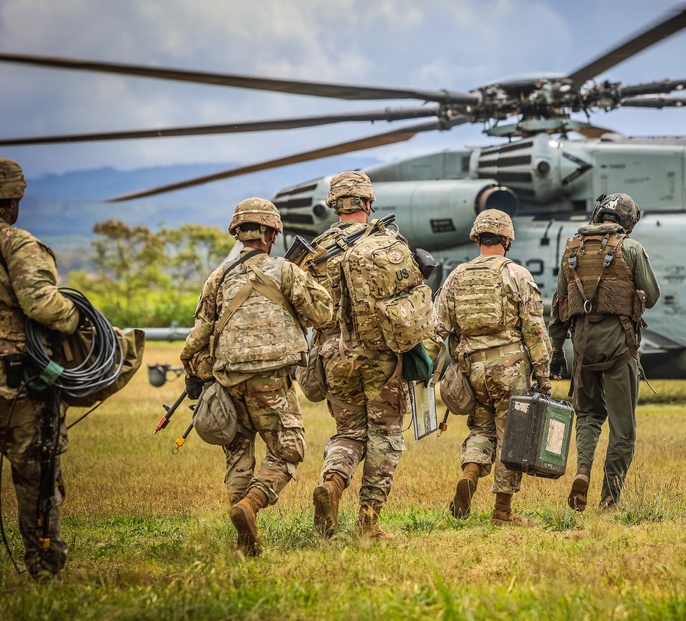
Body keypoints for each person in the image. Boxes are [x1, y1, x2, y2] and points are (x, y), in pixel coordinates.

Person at [181, 197, 333, 556]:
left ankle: (243, 534)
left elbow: (196, 339)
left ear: (238, 232)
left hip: (228, 381)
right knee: (288, 450)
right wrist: (311, 279)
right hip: (271, 381)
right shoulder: (286, 271)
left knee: (237, 454)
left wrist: (197, 373)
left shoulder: (217, 278)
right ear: (271, 233)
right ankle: (250, 504)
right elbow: (323, 313)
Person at [311, 171, 426, 541]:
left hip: (332, 355)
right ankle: (368, 521)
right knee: (385, 434)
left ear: (334, 205)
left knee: (348, 432)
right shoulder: (387, 242)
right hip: (380, 356)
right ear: (367, 203)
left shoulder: (314, 253)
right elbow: (412, 294)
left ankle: (332, 484)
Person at [434, 209, 551, 526]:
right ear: (507, 239)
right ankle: (502, 512)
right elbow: (534, 329)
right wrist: (543, 373)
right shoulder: (517, 275)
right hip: (509, 367)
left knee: (482, 428)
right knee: (512, 435)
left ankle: (470, 475)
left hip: (472, 371)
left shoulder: (456, 276)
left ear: (476, 238)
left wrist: (426, 370)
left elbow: (437, 329)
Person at [549, 193, 660, 512]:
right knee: (623, 430)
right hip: (620, 350)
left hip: (582, 350)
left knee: (587, 415)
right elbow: (651, 296)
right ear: (627, 221)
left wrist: (557, 350)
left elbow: (559, 304)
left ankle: (582, 471)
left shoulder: (572, 248)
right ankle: (609, 500)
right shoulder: (631, 249)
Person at [0, 158, 80, 579]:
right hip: (15, 387)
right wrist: (77, 318)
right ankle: (44, 564)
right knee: (37, 475)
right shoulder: (16, 244)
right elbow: (41, 304)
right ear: (12, 202)